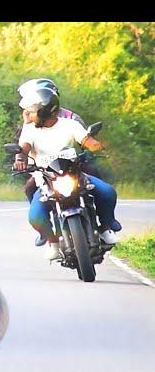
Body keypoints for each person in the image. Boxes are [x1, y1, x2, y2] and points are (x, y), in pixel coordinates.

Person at [13, 87, 122, 261]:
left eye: (32, 112)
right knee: (35, 216)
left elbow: (86, 140)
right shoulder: (30, 130)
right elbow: (23, 148)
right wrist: (20, 159)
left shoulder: (70, 125)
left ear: (45, 111)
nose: (28, 115)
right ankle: (52, 242)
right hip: (46, 179)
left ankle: (106, 227)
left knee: (107, 192)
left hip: (75, 174)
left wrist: (96, 145)